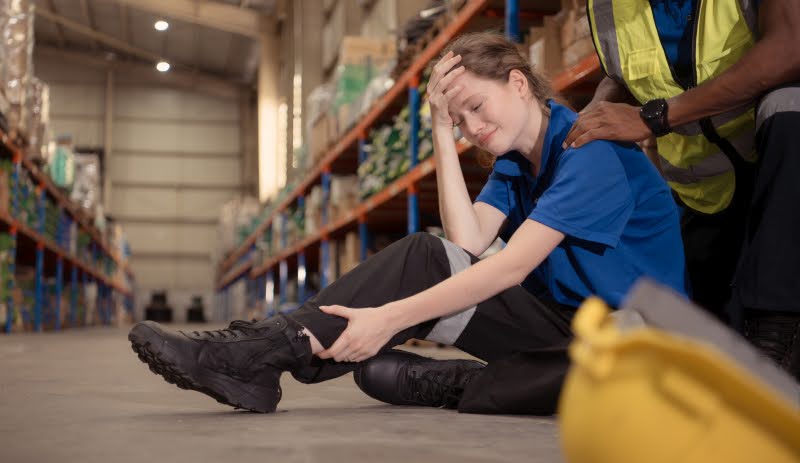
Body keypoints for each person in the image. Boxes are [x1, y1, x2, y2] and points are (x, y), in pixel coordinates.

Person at [128, 32, 687, 414]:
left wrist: (387, 318)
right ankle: (261, 353)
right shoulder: (518, 165)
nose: (471, 126)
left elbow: (508, 268)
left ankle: (459, 384)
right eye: (458, 117)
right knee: (425, 252)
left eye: (475, 107)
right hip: (563, 325)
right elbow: (466, 242)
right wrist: (441, 131)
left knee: (611, 384)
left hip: (631, 342)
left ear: (519, 83)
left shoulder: (589, 152)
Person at [563, 0, 800, 378]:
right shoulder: (608, 5)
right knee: (692, 353)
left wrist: (653, 117)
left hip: (781, 178)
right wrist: (593, 116)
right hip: (709, 196)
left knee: (791, 104)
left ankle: (777, 324)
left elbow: (791, 45)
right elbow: (625, 74)